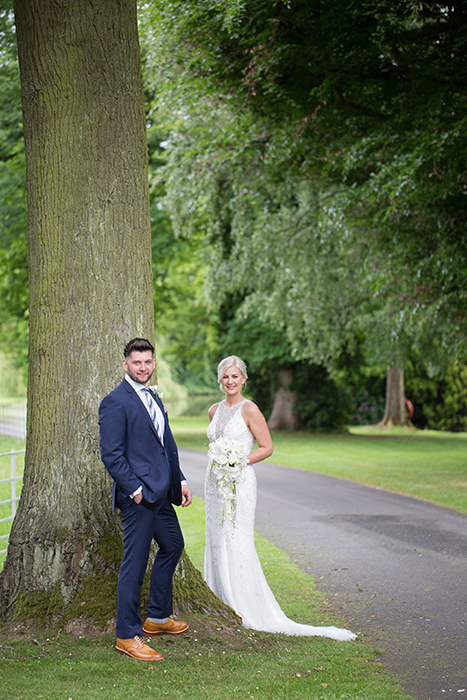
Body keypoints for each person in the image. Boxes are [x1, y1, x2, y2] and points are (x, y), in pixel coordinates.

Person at [204, 355, 356, 642]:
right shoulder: (213, 411)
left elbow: (267, 447)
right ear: (220, 379)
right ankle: (219, 599)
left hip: (240, 480)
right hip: (214, 484)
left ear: (244, 379)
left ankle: (244, 606)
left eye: (235, 376)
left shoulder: (250, 409)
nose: (230, 381)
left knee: (237, 539)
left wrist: (240, 461)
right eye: (225, 376)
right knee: (216, 537)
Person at [99, 337, 193, 661]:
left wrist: (178, 478)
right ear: (125, 364)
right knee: (134, 565)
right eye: (137, 363)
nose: (143, 367)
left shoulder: (152, 396)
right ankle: (127, 635)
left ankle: (157, 617)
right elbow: (111, 455)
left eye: (148, 362)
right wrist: (135, 490)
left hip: (161, 493)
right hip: (139, 497)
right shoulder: (115, 402)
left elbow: (166, 442)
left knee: (173, 545)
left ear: (154, 363)